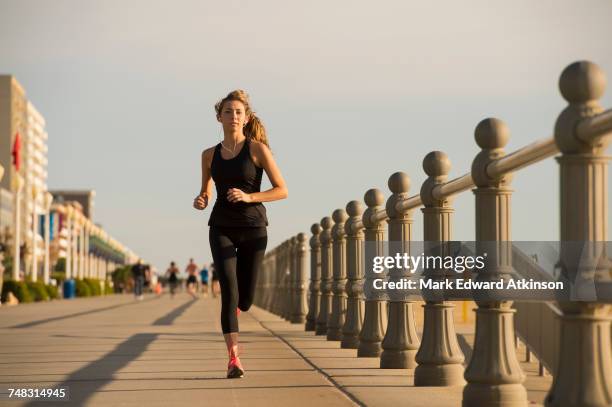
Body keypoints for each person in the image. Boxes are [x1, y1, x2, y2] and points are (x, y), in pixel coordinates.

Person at [193, 90, 288, 379]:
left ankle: (238, 311)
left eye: (238, 112)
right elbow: (205, 190)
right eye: (227, 111)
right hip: (221, 227)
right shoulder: (209, 155)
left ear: (245, 118)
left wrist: (249, 197)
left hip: (254, 229)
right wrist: (201, 199)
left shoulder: (257, 149)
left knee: (244, 301)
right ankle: (233, 358)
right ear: (219, 117)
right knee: (228, 294)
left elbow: (282, 190)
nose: (233, 116)